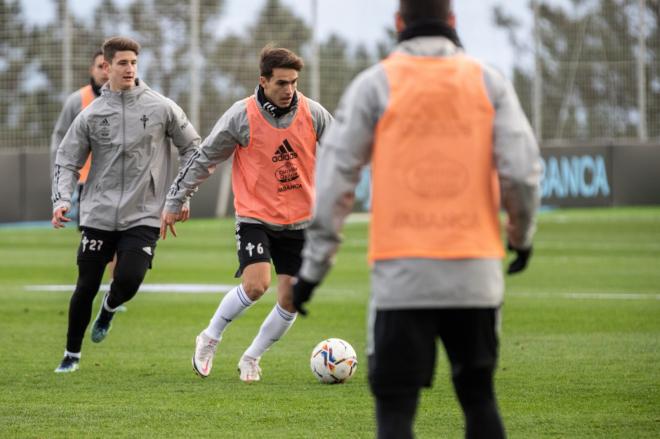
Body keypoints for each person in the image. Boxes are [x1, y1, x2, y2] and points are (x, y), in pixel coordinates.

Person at [290, 1, 541, 438]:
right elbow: (520, 172)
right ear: (453, 22)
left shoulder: (375, 85)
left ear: (399, 23)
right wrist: (521, 236)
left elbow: (335, 179)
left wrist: (312, 270)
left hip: (402, 275)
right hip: (475, 272)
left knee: (396, 407)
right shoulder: (488, 82)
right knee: (478, 395)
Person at [161, 46, 333, 383]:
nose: (289, 90)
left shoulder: (313, 114)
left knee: (291, 298)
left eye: (294, 82)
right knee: (256, 286)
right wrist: (175, 200)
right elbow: (204, 159)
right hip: (255, 216)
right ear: (263, 81)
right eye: (282, 83)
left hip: (300, 221)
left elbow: (345, 148)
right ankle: (209, 337)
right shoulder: (242, 116)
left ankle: (251, 357)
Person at [51, 36, 201, 373]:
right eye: (122, 62)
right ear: (106, 67)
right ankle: (71, 355)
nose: (129, 68)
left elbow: (193, 148)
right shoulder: (91, 115)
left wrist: (181, 194)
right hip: (98, 212)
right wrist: (61, 199)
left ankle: (110, 307)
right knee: (85, 285)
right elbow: (66, 159)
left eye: (133, 62)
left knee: (130, 279)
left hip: (144, 212)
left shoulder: (161, 107)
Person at [50, 48, 122, 293]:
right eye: (99, 66)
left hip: (120, 180)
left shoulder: (129, 98)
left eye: (107, 65)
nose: (104, 71)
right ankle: (90, 284)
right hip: (85, 182)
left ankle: (114, 287)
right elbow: (60, 139)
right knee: (95, 236)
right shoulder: (77, 101)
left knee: (119, 234)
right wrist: (59, 178)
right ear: (92, 70)